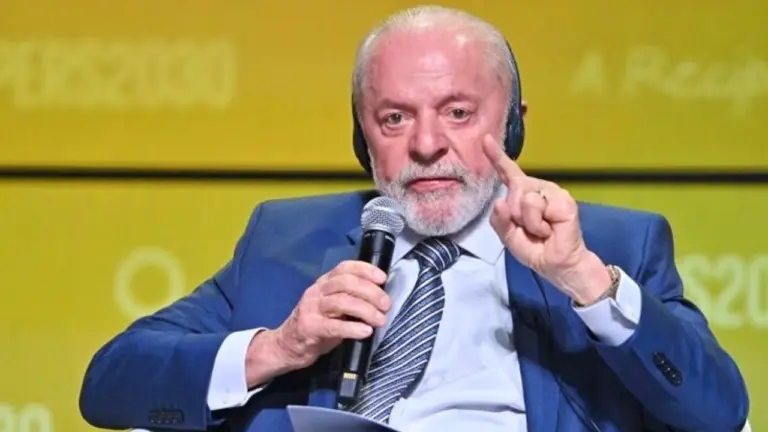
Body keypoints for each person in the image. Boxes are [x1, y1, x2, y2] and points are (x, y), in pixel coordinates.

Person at [78, 5, 750, 432]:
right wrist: (278, 347)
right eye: (395, 118)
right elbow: (109, 384)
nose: (427, 144)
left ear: (512, 125)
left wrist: (584, 280)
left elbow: (720, 413)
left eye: (458, 113)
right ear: (362, 138)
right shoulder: (286, 240)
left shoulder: (612, 246)